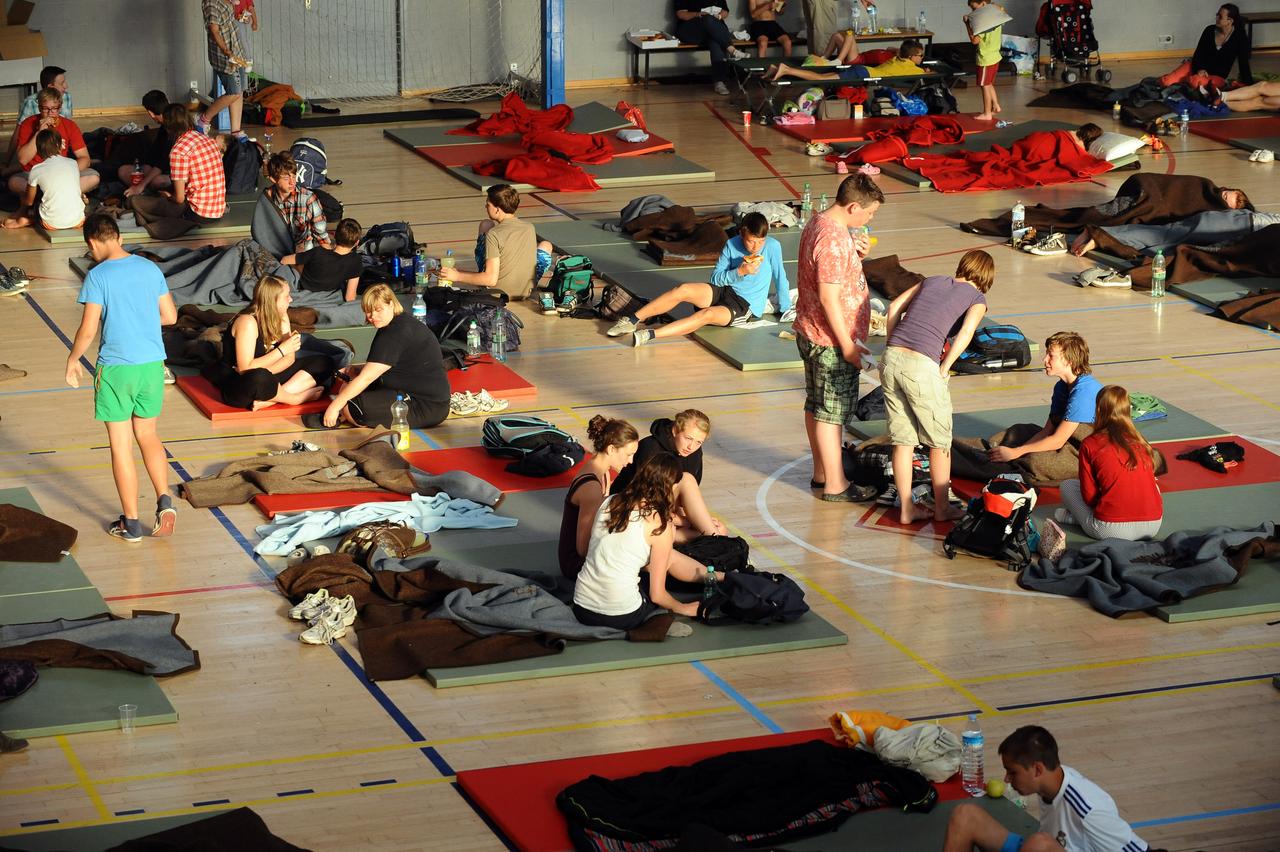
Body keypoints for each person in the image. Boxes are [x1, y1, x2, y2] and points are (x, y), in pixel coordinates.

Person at [65, 215, 178, 543]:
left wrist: (73, 360)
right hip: (152, 365)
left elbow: (88, 329)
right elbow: (170, 316)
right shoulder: (149, 268)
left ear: (92, 243)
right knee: (149, 435)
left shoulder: (97, 276)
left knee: (121, 446)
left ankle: (130, 523)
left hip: (116, 369)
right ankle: (164, 501)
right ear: (118, 236)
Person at [881, 250, 994, 524]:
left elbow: (894, 307)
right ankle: (943, 508)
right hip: (921, 366)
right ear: (987, 278)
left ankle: (907, 508)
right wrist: (945, 368)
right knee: (939, 442)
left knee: (903, 440)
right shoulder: (977, 299)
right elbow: (966, 334)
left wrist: (892, 343)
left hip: (892, 358)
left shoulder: (931, 280)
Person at [794, 173, 883, 503]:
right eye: (869, 213)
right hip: (832, 342)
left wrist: (853, 252)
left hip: (811, 330)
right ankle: (835, 485)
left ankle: (822, 473)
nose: (869, 219)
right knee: (831, 416)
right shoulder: (832, 241)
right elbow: (829, 297)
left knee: (816, 406)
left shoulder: (822, 224)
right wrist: (848, 346)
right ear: (853, 206)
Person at [573, 454, 727, 628]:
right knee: (665, 561)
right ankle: (721, 578)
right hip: (621, 615)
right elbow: (657, 595)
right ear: (670, 487)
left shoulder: (608, 501)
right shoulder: (660, 525)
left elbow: (590, 549)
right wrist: (683, 608)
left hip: (581, 608)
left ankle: (719, 577)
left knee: (661, 557)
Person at [942, 726, 1150, 852]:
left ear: (1037, 769)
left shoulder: (1090, 809)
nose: (1006, 779)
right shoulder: (1050, 782)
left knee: (1039, 844)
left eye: (1012, 772)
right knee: (965, 815)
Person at [606, 212, 790, 346]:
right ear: (742, 233)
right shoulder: (731, 244)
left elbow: (781, 278)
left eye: (761, 241)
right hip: (724, 289)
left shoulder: (773, 247)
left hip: (745, 306)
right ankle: (630, 321)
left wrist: (785, 309)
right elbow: (716, 279)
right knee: (682, 289)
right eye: (751, 240)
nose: (756, 246)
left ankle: (649, 334)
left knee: (705, 315)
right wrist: (739, 272)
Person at [953, 331, 1102, 487]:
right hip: (1067, 441)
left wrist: (1016, 453)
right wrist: (1019, 450)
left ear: (1069, 361)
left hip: (1084, 453)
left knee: (1038, 461)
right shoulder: (1061, 387)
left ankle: (1000, 464)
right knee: (1020, 432)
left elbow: (1058, 440)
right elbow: (1047, 431)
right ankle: (985, 451)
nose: (1045, 360)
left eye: (1051, 356)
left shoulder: (1084, 393)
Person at [309, 284, 449, 430]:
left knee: (351, 408)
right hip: (416, 392)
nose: (373, 316)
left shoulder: (395, 333)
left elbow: (367, 378)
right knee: (350, 384)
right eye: (368, 312)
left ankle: (352, 416)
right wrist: (357, 369)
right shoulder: (397, 322)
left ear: (391, 304)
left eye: (378, 310)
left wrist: (334, 407)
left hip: (426, 404)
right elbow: (390, 365)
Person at [202, 275, 335, 411]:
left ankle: (271, 400)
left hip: (267, 375)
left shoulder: (282, 316)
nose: (291, 299)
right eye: (286, 296)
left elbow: (290, 359)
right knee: (259, 377)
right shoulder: (247, 322)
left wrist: (270, 372)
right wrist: (281, 351)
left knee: (324, 362)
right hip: (239, 384)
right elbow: (244, 368)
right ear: (272, 300)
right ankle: (294, 398)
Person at [1048, 385, 1163, 543]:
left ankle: (1080, 520)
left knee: (1068, 486)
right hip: (1153, 526)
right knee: (1153, 486)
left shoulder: (1090, 444)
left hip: (1109, 530)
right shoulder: (1141, 441)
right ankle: (1083, 519)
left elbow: (1089, 498)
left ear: (1098, 410)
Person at [612, 410, 728, 542]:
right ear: (674, 430)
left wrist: (689, 519)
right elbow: (642, 503)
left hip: (665, 513)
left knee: (721, 528)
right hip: (632, 514)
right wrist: (684, 521)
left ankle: (716, 541)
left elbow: (682, 499)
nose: (691, 446)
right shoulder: (650, 449)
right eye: (688, 438)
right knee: (687, 481)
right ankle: (718, 543)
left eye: (699, 442)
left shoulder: (693, 453)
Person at [130, 104, 227, 241]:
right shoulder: (207, 140)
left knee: (137, 201)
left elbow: (180, 199)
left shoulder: (179, 151)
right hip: (218, 210)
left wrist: (169, 196)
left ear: (168, 127)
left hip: (198, 214)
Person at [559, 416, 640, 580]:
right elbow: (583, 548)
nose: (631, 461)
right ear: (611, 449)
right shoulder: (592, 488)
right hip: (577, 566)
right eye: (628, 454)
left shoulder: (599, 470)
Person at [447, 184, 553, 301]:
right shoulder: (529, 227)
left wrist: (457, 275)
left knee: (485, 225)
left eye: (488, 204)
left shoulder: (493, 234)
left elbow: (490, 279)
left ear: (497, 209)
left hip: (498, 293)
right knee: (546, 245)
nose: (485, 207)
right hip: (526, 291)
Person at [1069, 205, 1280, 258]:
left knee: (1165, 246)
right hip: (1236, 224)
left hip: (1238, 228)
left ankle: (1102, 237)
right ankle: (1098, 235)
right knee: (1164, 235)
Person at [8, 87, 98, 197]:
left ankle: (44, 197)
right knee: (14, 182)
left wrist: (68, 171)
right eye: (45, 109)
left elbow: (85, 158)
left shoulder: (69, 125)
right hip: (34, 174)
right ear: (40, 108)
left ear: (59, 108)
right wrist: (39, 132)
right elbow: (23, 159)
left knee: (93, 177)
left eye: (54, 109)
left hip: (62, 172)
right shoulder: (28, 124)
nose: (50, 113)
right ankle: (64, 195)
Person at [2, 130, 85, 231]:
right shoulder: (73, 163)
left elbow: (29, 202)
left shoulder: (37, 169)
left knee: (36, 204)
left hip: (51, 224)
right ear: (60, 146)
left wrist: (23, 198)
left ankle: (29, 220)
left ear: (38, 150)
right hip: (78, 221)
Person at [1159, 4, 1252, 90]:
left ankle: (1187, 81)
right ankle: (1185, 80)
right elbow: (1199, 54)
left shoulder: (1240, 37)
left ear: (1230, 21)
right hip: (1196, 67)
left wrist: (1249, 85)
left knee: (1196, 82)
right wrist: (1200, 69)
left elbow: (1243, 62)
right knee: (1166, 82)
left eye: (1220, 16)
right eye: (1217, 15)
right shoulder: (1209, 30)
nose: (1216, 18)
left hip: (1216, 76)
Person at [198, 0, 251, 140]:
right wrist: (227, 52)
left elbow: (229, 18)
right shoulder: (211, 4)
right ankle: (203, 120)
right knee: (233, 92)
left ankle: (236, 131)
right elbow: (214, 31)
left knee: (239, 92)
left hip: (236, 50)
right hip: (224, 55)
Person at [5, 65, 71, 170]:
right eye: (62, 83)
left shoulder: (67, 97)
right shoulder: (30, 102)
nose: (66, 86)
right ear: (50, 87)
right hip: (37, 151)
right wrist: (6, 163)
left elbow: (69, 129)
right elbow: (17, 135)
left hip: (59, 150)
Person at [263, 152, 331, 254]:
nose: (292, 182)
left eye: (294, 177)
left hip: (304, 255)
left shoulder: (308, 198)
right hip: (276, 253)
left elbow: (321, 236)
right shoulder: (267, 199)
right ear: (273, 179)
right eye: (286, 178)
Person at [765, 38, 924, 82]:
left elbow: (894, 49)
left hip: (861, 70)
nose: (922, 58)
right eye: (920, 55)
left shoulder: (897, 57)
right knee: (821, 78)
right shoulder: (913, 68)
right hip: (860, 74)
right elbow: (928, 74)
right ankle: (786, 69)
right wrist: (928, 71)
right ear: (911, 57)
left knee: (823, 76)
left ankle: (775, 69)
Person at [674, 0, 745, 96]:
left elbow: (725, 11)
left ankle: (719, 82)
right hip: (691, 30)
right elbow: (681, 14)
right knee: (707, 19)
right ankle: (731, 49)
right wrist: (698, 14)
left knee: (715, 39)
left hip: (713, 29)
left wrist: (719, 16)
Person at [283, 218, 363, 302]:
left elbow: (284, 260)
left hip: (305, 287)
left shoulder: (319, 252)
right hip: (328, 294)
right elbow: (350, 297)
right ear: (357, 243)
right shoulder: (356, 261)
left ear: (334, 235)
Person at [119, 90, 175, 199]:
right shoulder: (164, 128)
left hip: (179, 175)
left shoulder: (172, 130)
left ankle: (146, 193)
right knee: (124, 171)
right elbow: (153, 157)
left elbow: (161, 164)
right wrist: (143, 170)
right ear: (167, 100)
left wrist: (141, 185)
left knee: (156, 181)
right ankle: (148, 192)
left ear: (151, 113)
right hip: (163, 169)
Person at [965, 0, 1005, 121]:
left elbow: (975, 41)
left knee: (984, 85)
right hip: (995, 56)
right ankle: (996, 106)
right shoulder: (996, 15)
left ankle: (987, 113)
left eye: (974, 8)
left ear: (982, 4)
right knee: (989, 83)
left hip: (986, 59)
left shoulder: (983, 22)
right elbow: (1001, 8)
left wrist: (967, 24)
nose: (973, 11)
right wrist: (989, 6)